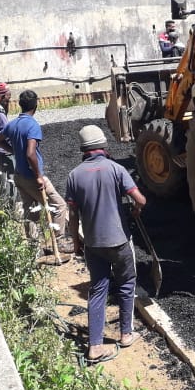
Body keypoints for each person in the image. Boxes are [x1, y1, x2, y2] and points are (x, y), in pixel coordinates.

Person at [65, 125, 146, 364]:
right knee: (126, 284)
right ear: (103, 145)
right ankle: (126, 334)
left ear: (83, 148)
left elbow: (73, 216)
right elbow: (140, 199)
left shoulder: (74, 175)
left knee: (98, 290)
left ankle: (95, 346)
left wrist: (76, 243)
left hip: (93, 244)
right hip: (119, 242)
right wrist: (136, 211)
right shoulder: (116, 169)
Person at [2, 89, 71, 249]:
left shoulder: (12, 124)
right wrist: (39, 176)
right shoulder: (32, 125)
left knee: (31, 211)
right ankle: (59, 242)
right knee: (59, 206)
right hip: (33, 177)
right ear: (35, 105)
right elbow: (30, 153)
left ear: (20, 105)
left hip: (19, 175)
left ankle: (33, 247)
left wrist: (12, 149)